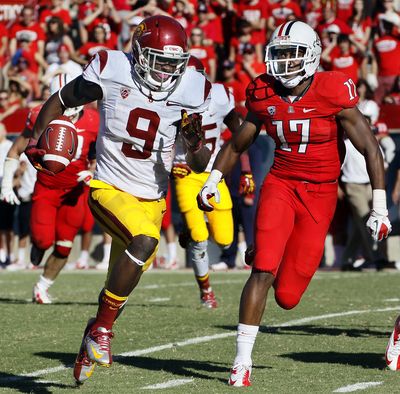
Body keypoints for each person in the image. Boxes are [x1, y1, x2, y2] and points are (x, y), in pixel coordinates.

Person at [197, 21, 391, 387]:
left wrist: (378, 205)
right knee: (263, 271)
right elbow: (239, 142)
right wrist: (212, 180)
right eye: (280, 53)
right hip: (281, 184)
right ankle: (241, 361)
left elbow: (369, 147)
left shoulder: (333, 89)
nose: (285, 62)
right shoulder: (263, 92)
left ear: (313, 56)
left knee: (287, 297)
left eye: (293, 54)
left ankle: (270, 246)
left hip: (320, 194)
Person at [23, 15, 211, 384]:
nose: (166, 71)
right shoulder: (112, 67)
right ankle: (102, 332)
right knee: (144, 241)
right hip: (108, 188)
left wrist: (195, 142)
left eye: (174, 63)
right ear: (139, 53)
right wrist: (35, 138)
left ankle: (93, 334)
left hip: (152, 199)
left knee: (119, 288)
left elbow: (200, 163)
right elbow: (61, 99)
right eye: (159, 60)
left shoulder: (192, 88)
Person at [0, 73, 98, 302]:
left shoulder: (94, 120)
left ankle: (42, 287)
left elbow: (104, 153)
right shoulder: (38, 115)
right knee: (43, 241)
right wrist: (6, 185)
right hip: (46, 188)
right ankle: (38, 245)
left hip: (75, 191)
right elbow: (15, 150)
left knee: (64, 246)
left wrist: (94, 172)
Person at [172, 55, 251, 306]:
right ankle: (206, 291)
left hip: (214, 175)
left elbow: (240, 134)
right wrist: (170, 168)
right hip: (186, 173)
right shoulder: (169, 100)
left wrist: (246, 169)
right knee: (199, 236)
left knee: (226, 238)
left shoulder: (220, 95)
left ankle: (189, 229)